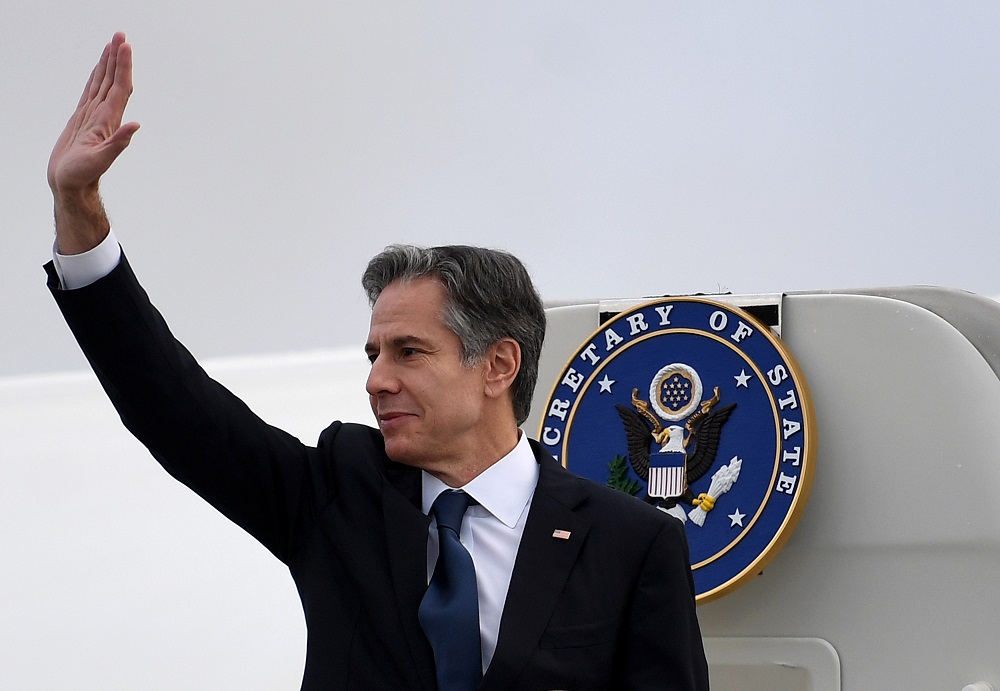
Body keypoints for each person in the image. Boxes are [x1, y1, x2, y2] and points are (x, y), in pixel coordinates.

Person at [45, 33, 710, 690]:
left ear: (498, 365)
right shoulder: (340, 493)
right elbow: (174, 407)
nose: (377, 378)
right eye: (373, 353)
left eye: (409, 351)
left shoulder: (631, 544)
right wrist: (79, 212)